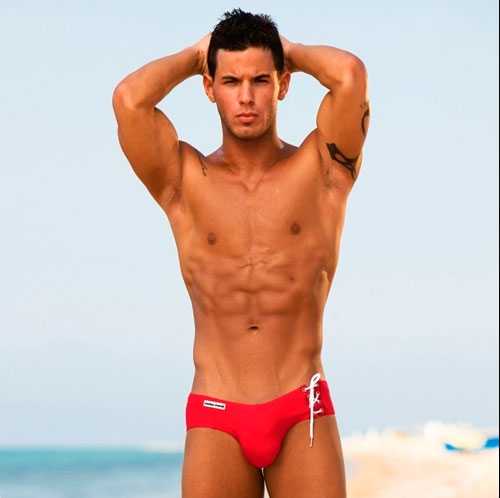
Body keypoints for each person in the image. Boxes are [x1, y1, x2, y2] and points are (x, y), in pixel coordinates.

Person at [112, 8, 370, 498]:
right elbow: (128, 100)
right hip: (217, 410)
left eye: (260, 80)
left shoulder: (321, 170)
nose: (246, 97)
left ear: (283, 84)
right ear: (210, 87)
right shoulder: (183, 180)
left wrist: (285, 50)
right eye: (231, 81)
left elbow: (349, 75)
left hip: (301, 407)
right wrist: (196, 55)